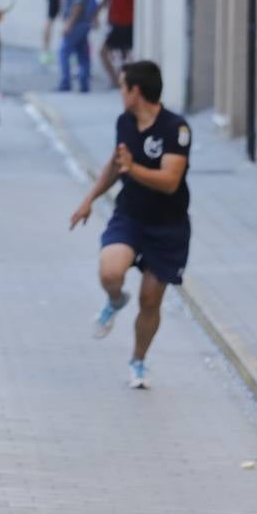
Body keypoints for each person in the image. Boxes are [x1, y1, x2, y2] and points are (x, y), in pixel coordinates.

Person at [70, 61, 190, 389]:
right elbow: (116, 163)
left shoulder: (175, 129)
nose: (120, 93)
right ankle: (114, 300)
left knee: (150, 299)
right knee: (110, 271)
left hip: (168, 225)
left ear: (135, 92)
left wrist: (133, 169)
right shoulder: (125, 122)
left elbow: (169, 181)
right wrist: (89, 199)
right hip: (131, 216)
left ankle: (138, 360)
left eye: (122, 87)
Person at [58, 0, 97, 93]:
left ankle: (65, 82)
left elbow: (78, 5)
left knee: (64, 51)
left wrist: (69, 24)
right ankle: (84, 84)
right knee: (82, 53)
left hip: (77, 23)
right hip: (80, 23)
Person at [98, 0, 134, 87]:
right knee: (128, 53)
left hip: (118, 22)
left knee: (104, 52)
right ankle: (126, 79)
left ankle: (115, 80)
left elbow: (106, 0)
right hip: (133, 23)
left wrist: (95, 16)